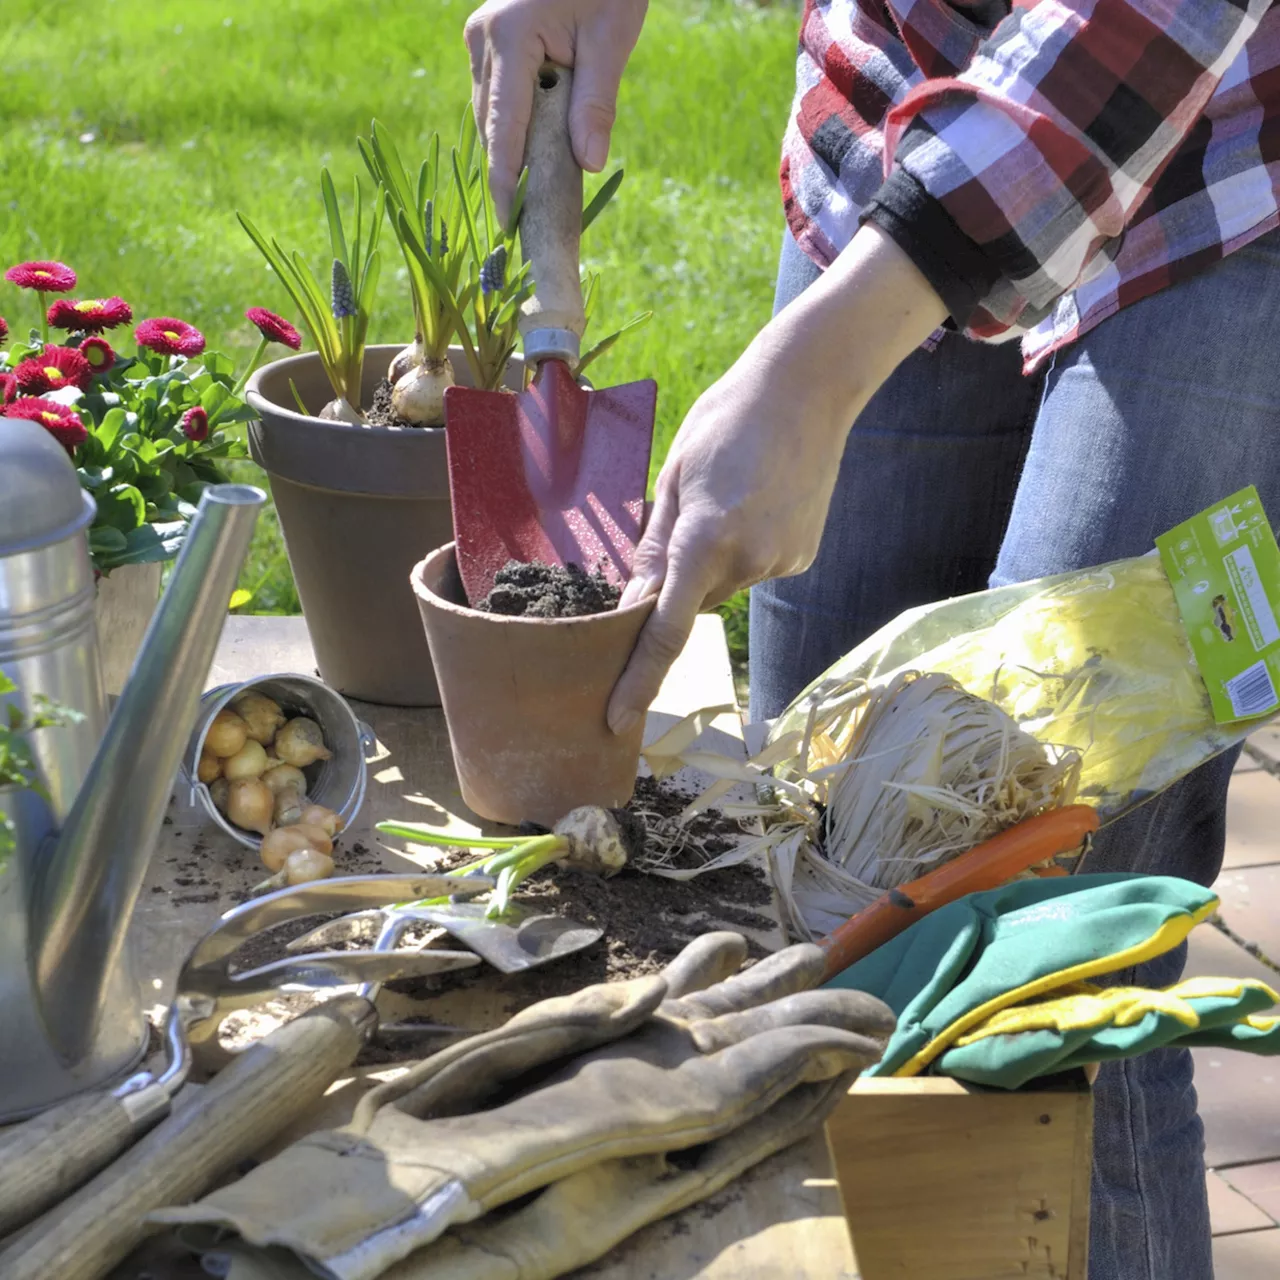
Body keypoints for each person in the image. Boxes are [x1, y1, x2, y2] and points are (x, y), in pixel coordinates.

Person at [464, 1, 1280, 1275]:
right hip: (904, 103)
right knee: (817, 896)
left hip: (1225, 177)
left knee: (1052, 970)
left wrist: (820, 366)